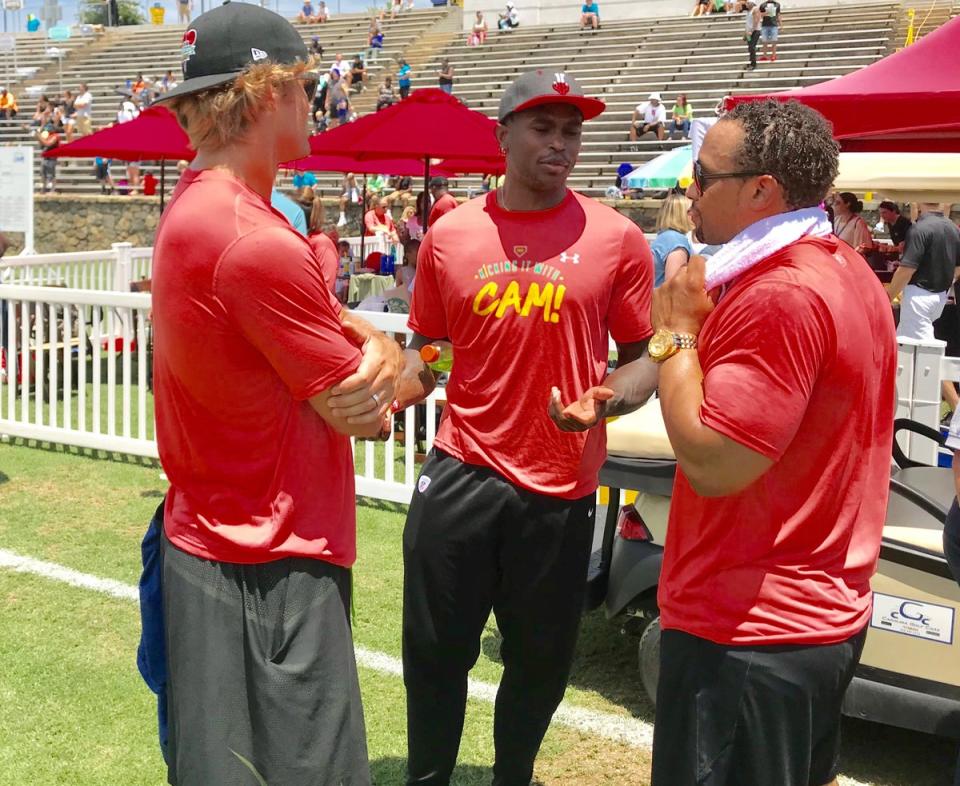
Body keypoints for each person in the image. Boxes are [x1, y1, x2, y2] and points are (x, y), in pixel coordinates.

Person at [150, 5, 401, 784]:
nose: (315, 102)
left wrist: (378, 343)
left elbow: (340, 346)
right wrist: (397, 349)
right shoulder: (253, 238)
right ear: (264, 94)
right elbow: (364, 408)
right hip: (267, 559)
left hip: (225, 539)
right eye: (304, 86)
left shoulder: (208, 210)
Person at [391, 69, 655, 786]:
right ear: (502, 134)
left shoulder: (618, 239)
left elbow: (642, 363)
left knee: (539, 664)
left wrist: (601, 399)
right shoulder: (450, 235)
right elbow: (433, 347)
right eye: (543, 128)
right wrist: (399, 386)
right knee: (435, 654)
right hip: (461, 471)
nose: (560, 144)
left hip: (560, 486)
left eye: (572, 131)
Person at [627, 98, 895, 786]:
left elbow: (716, 460)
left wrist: (676, 330)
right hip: (814, 613)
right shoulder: (844, 267)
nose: (689, 191)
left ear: (760, 190)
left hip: (749, 626)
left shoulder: (779, 291)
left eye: (702, 176)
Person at [886, 202, 960, 340]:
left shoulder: (919, 229)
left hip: (919, 295)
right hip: (940, 295)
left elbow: (907, 269)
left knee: (920, 347)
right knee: (906, 341)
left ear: (919, 204)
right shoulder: (953, 228)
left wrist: (887, 297)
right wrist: (947, 284)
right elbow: (958, 267)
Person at [650, 193, 693, 287]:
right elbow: (674, 287)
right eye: (690, 211)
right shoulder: (677, 241)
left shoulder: (663, 238)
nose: (694, 214)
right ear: (682, 215)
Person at [37, 127, 60, 192]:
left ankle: (53, 189)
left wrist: (39, 135)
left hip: (52, 158)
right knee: (43, 174)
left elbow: (48, 143)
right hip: (45, 157)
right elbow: (41, 144)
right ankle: (43, 188)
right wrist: (39, 137)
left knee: (51, 174)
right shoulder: (47, 136)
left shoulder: (55, 136)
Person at [744, 0, 762, 70]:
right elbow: (748, 23)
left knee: (752, 47)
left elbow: (756, 21)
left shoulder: (755, 9)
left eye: (748, 3)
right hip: (748, 32)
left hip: (755, 31)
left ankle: (753, 64)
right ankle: (751, 61)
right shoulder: (749, 11)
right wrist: (745, 33)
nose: (746, 4)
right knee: (750, 48)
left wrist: (751, 31)